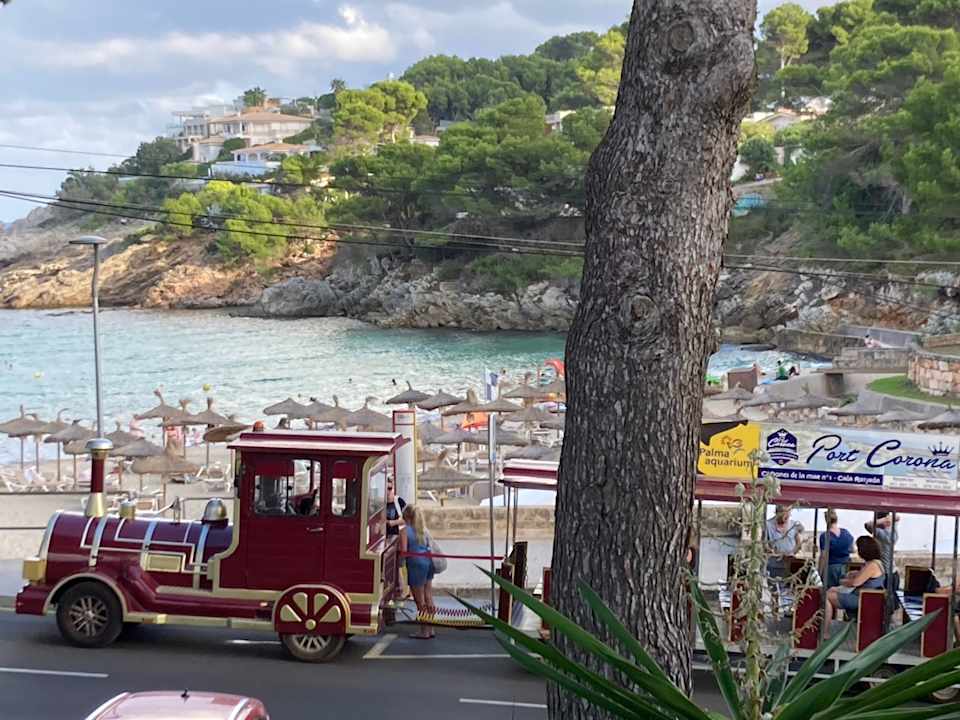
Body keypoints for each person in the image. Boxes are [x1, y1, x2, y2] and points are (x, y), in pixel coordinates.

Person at [825, 535, 886, 631]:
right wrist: (855, 573)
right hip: (862, 596)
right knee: (831, 590)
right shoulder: (875, 563)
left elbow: (855, 583)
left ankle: (825, 631)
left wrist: (843, 581)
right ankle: (827, 626)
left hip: (862, 599)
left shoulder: (873, 565)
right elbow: (862, 576)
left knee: (826, 597)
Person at [400, 505, 435, 639]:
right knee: (428, 597)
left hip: (416, 565)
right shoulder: (423, 529)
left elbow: (404, 551)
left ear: (406, 517)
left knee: (419, 601)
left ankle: (424, 631)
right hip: (428, 562)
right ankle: (431, 628)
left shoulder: (405, 530)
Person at [819, 510, 854, 588]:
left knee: (829, 592)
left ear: (826, 520)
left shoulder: (825, 536)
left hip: (831, 568)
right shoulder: (846, 533)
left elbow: (823, 556)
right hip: (846, 567)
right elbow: (852, 549)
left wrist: (819, 572)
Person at [766, 505, 803, 578]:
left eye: (788, 515)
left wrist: (791, 553)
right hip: (773, 567)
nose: (786, 518)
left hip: (790, 567)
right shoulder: (768, 525)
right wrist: (775, 553)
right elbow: (763, 544)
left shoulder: (794, 525)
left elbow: (799, 543)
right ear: (777, 513)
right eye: (784, 515)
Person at [865, 512, 900, 592]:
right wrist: (888, 518)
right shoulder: (893, 529)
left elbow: (867, 525)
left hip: (886, 574)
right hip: (893, 572)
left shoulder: (882, 534)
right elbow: (897, 517)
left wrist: (883, 520)